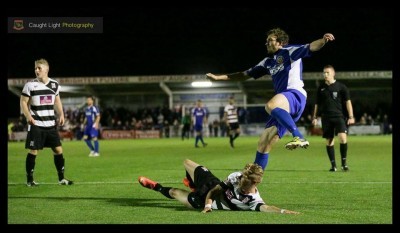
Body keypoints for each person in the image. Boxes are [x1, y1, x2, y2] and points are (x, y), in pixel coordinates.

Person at [206, 28, 335, 170]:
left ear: (280, 42)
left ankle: (299, 136)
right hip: (283, 107)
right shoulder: (267, 62)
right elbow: (244, 75)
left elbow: (311, 46)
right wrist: (218, 77)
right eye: (266, 41)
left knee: (270, 105)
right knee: (263, 143)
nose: (266, 43)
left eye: (270, 40)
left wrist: (323, 40)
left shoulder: (289, 51)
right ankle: (253, 180)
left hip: (295, 95)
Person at [138, 159, 299, 214]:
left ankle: (156, 187)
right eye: (242, 178)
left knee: (174, 192)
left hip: (203, 201)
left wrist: (283, 211)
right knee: (187, 163)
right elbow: (216, 190)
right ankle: (194, 184)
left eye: (244, 182)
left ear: (256, 183)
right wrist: (209, 202)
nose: (240, 181)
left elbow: (267, 208)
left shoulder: (253, 200)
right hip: (212, 186)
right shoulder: (237, 176)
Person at [20, 58, 73, 186]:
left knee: (58, 150)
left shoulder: (54, 85)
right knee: (33, 151)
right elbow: (23, 101)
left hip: (50, 125)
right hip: (36, 124)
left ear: (46, 70)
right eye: (35, 68)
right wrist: (28, 116)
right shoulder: (30, 85)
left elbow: (57, 101)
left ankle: (61, 179)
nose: (36, 70)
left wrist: (61, 114)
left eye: (39, 68)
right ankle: (29, 180)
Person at [312, 65, 355, 172]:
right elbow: (317, 104)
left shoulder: (341, 87)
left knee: (342, 138)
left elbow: (348, 102)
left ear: (333, 73)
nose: (325, 75)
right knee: (329, 141)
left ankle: (344, 164)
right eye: (324, 73)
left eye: (327, 73)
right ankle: (333, 166)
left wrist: (351, 116)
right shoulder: (321, 88)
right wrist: (315, 117)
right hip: (326, 118)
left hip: (339, 116)